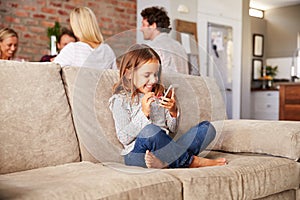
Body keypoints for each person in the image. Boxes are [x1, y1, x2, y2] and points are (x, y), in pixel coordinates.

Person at [109, 44, 226, 169]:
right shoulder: (120, 100)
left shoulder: (159, 93)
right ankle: (191, 162)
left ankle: (165, 163)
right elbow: (123, 138)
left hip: (165, 150)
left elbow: (172, 129)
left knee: (206, 128)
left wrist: (173, 111)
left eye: (155, 74)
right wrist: (143, 113)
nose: (154, 80)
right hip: (137, 154)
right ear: (129, 74)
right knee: (150, 131)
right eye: (147, 75)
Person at [140, 6, 189, 74]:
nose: (141, 29)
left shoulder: (152, 48)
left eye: (143, 25)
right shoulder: (180, 47)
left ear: (153, 25)